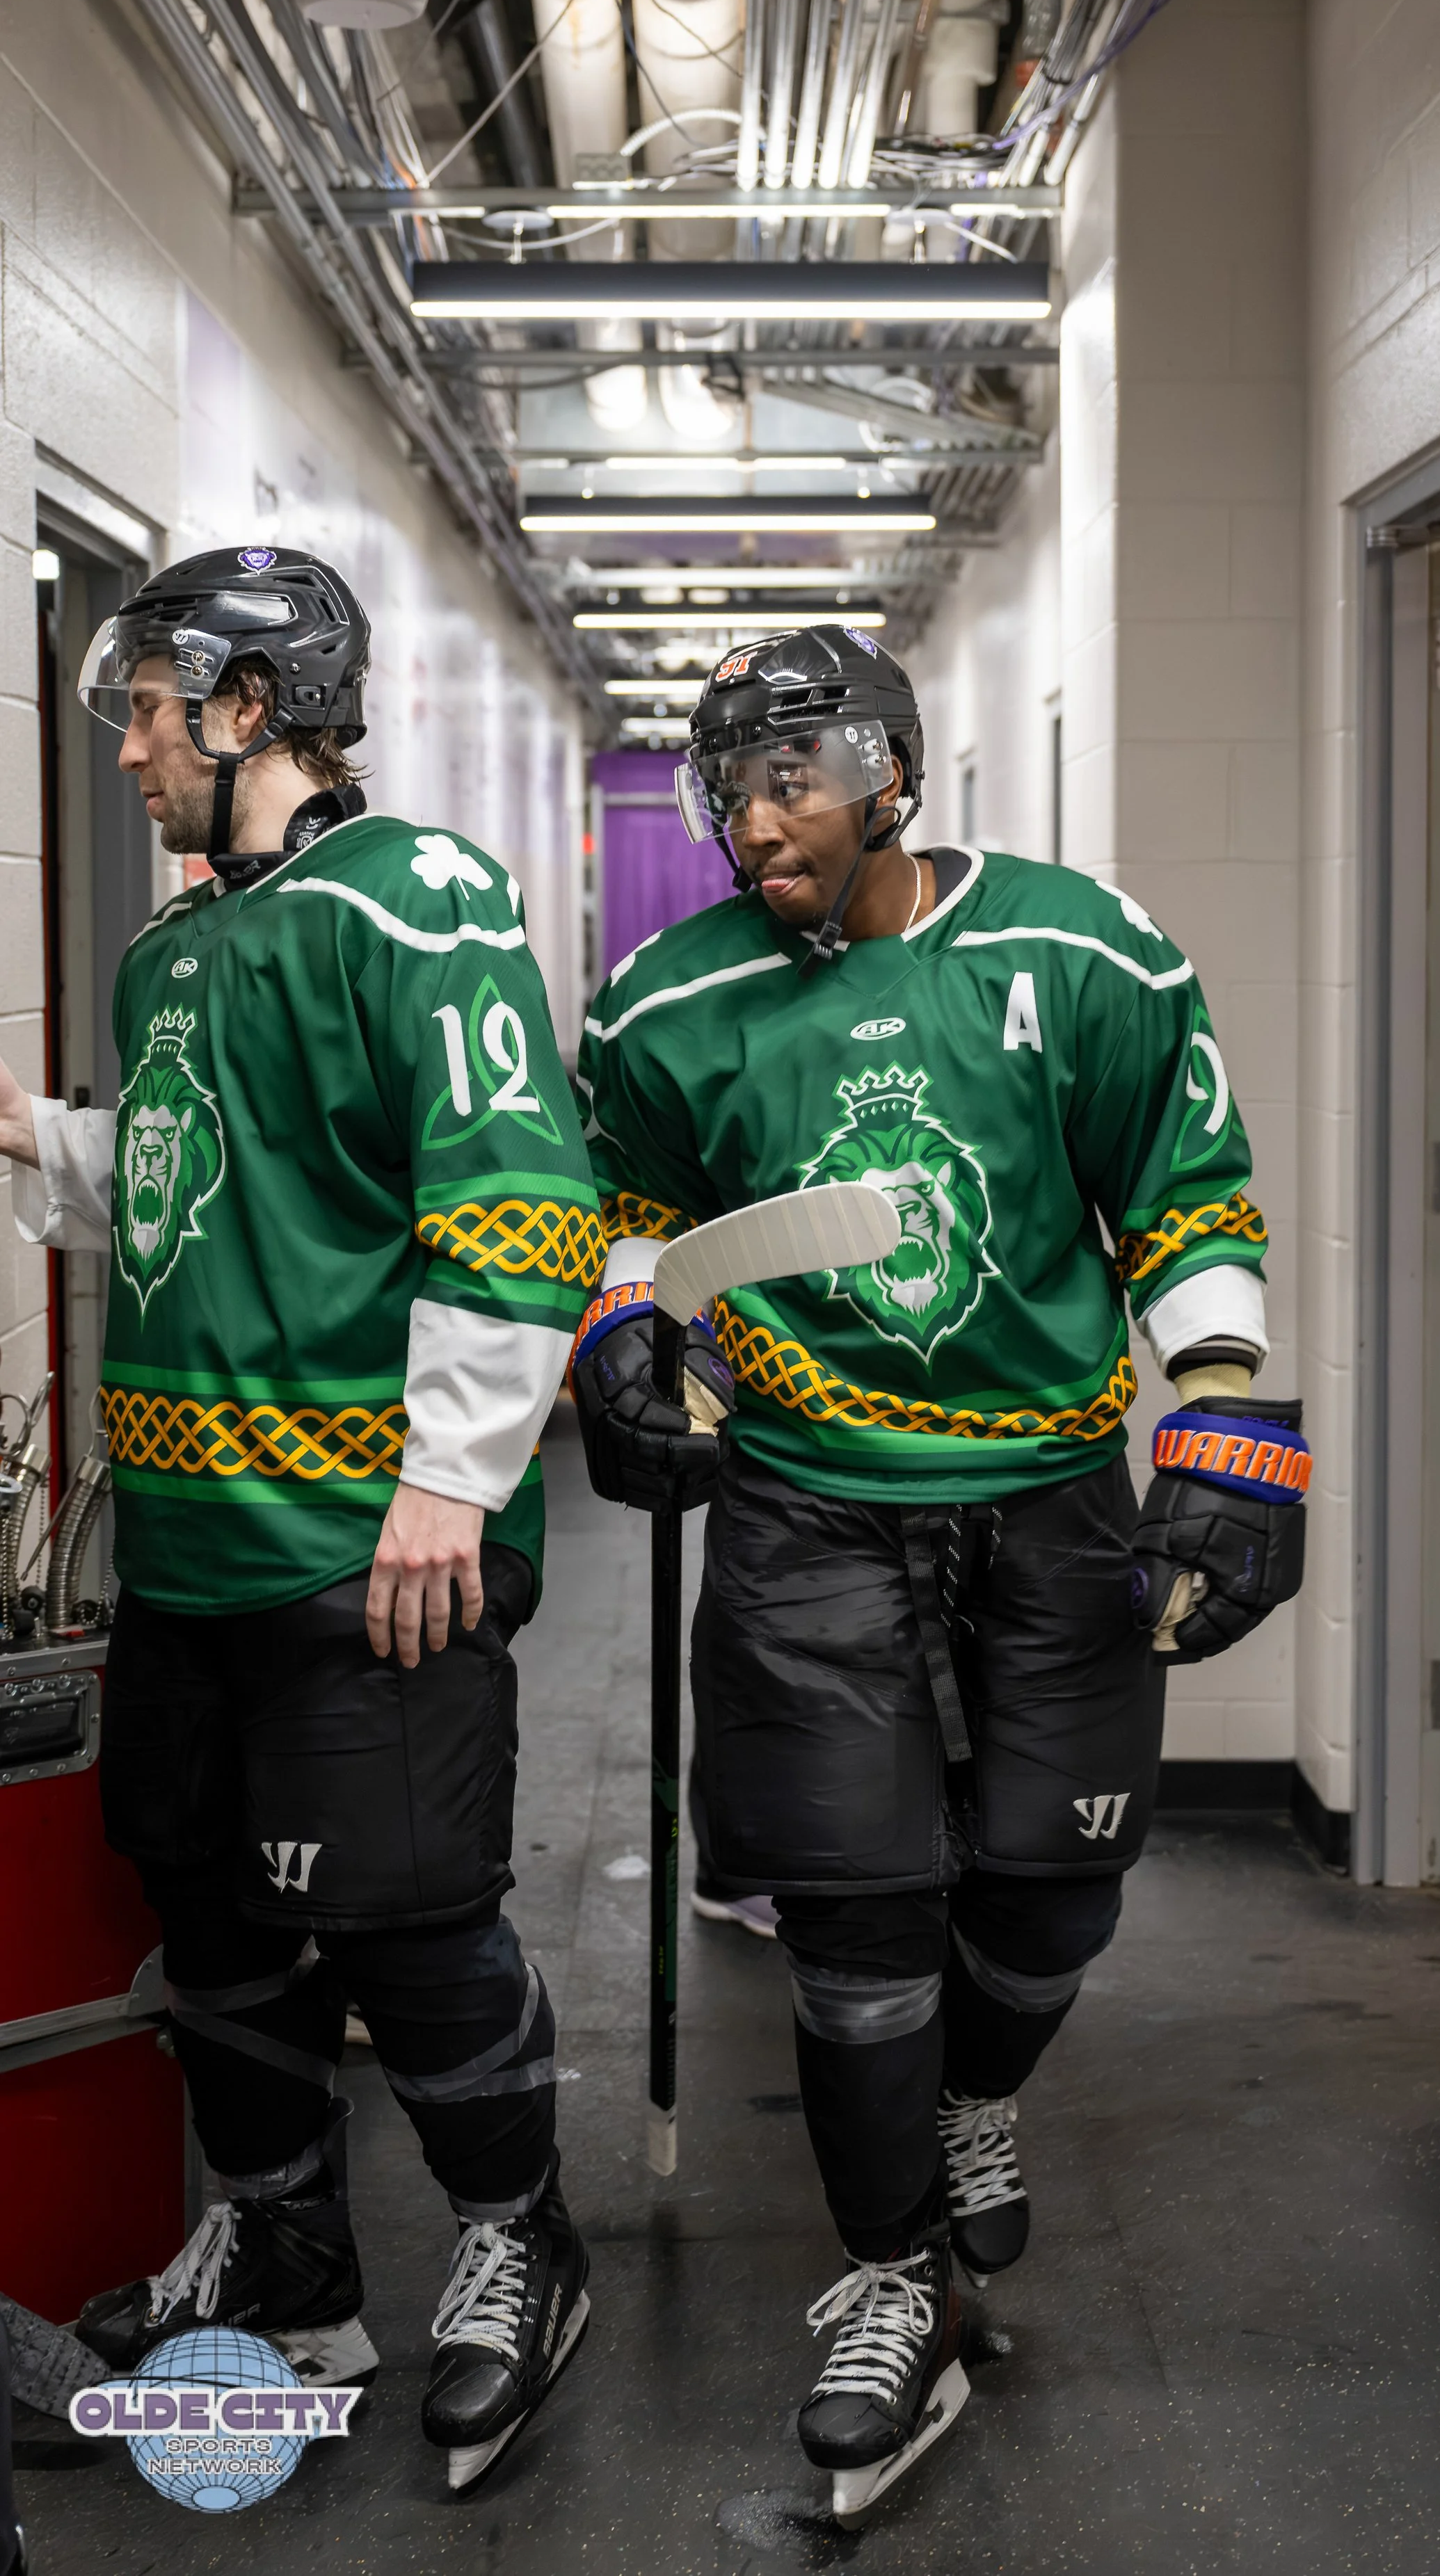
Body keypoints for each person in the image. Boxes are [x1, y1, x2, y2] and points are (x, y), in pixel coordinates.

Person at [571, 625, 1308, 2520]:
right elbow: (634, 1216)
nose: (750, 822)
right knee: (851, 1923)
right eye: (724, 790)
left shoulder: (1078, 949)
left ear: (888, 771)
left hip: (1052, 1487)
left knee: (1048, 1898)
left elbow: (1184, 1195)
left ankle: (980, 2094)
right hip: (810, 1501)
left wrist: (1221, 1423)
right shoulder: (668, 1002)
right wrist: (636, 1341)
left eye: (787, 780)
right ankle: (894, 2276)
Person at [0, 547, 601, 2494]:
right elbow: (195, 1181)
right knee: (213, 1915)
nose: (128, 750)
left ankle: (522, 2241)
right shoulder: (173, 947)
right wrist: (40, 1139)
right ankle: (291, 2252)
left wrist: (453, 1474)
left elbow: (519, 1195)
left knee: (411, 1922)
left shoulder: (417, 901)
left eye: (152, 712)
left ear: (253, 707)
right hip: (186, 1553)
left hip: (366, 1542)